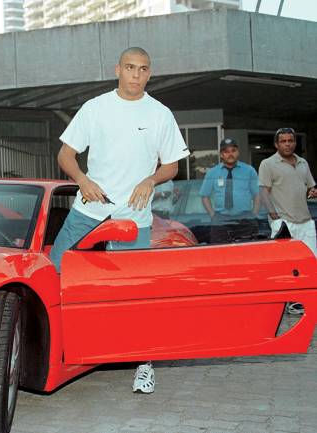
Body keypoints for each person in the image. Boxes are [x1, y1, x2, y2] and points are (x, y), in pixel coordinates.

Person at [49, 47, 190, 394]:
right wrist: (82, 180)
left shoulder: (160, 113)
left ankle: (143, 363)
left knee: (135, 293)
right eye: (129, 68)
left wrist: (150, 180)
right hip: (89, 211)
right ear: (117, 70)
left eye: (142, 69)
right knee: (53, 273)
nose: (135, 75)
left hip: (134, 218)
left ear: (149, 73)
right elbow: (65, 155)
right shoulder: (95, 107)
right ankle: (58, 351)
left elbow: (172, 164)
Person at [259, 127, 317, 315]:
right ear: (276, 144)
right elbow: (264, 192)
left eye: (290, 140)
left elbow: (311, 188)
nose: (287, 144)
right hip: (284, 221)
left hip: (306, 220)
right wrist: (275, 217)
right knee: (287, 264)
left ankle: (307, 300)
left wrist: (312, 192)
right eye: (283, 141)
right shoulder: (268, 164)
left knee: (311, 261)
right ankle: (292, 302)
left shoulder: (303, 163)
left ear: (295, 142)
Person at [199, 138, 260, 243]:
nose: (230, 154)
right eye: (226, 151)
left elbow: (257, 195)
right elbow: (205, 196)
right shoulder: (212, 172)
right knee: (220, 253)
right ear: (221, 155)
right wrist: (213, 214)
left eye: (233, 150)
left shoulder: (249, 170)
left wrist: (253, 214)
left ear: (238, 152)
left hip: (245, 219)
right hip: (220, 221)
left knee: (247, 253)